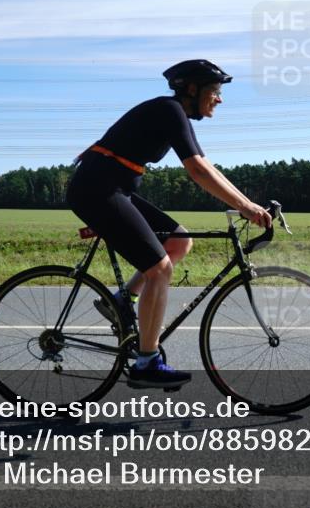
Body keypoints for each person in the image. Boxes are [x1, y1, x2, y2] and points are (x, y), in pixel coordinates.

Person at [66, 59, 272, 389]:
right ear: (192, 89)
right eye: (215, 91)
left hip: (113, 189)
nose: (219, 98)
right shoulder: (170, 110)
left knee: (178, 241)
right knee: (159, 269)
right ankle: (147, 362)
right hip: (96, 190)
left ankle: (120, 301)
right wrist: (245, 206)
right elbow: (198, 172)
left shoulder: (174, 113)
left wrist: (248, 204)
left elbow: (206, 166)